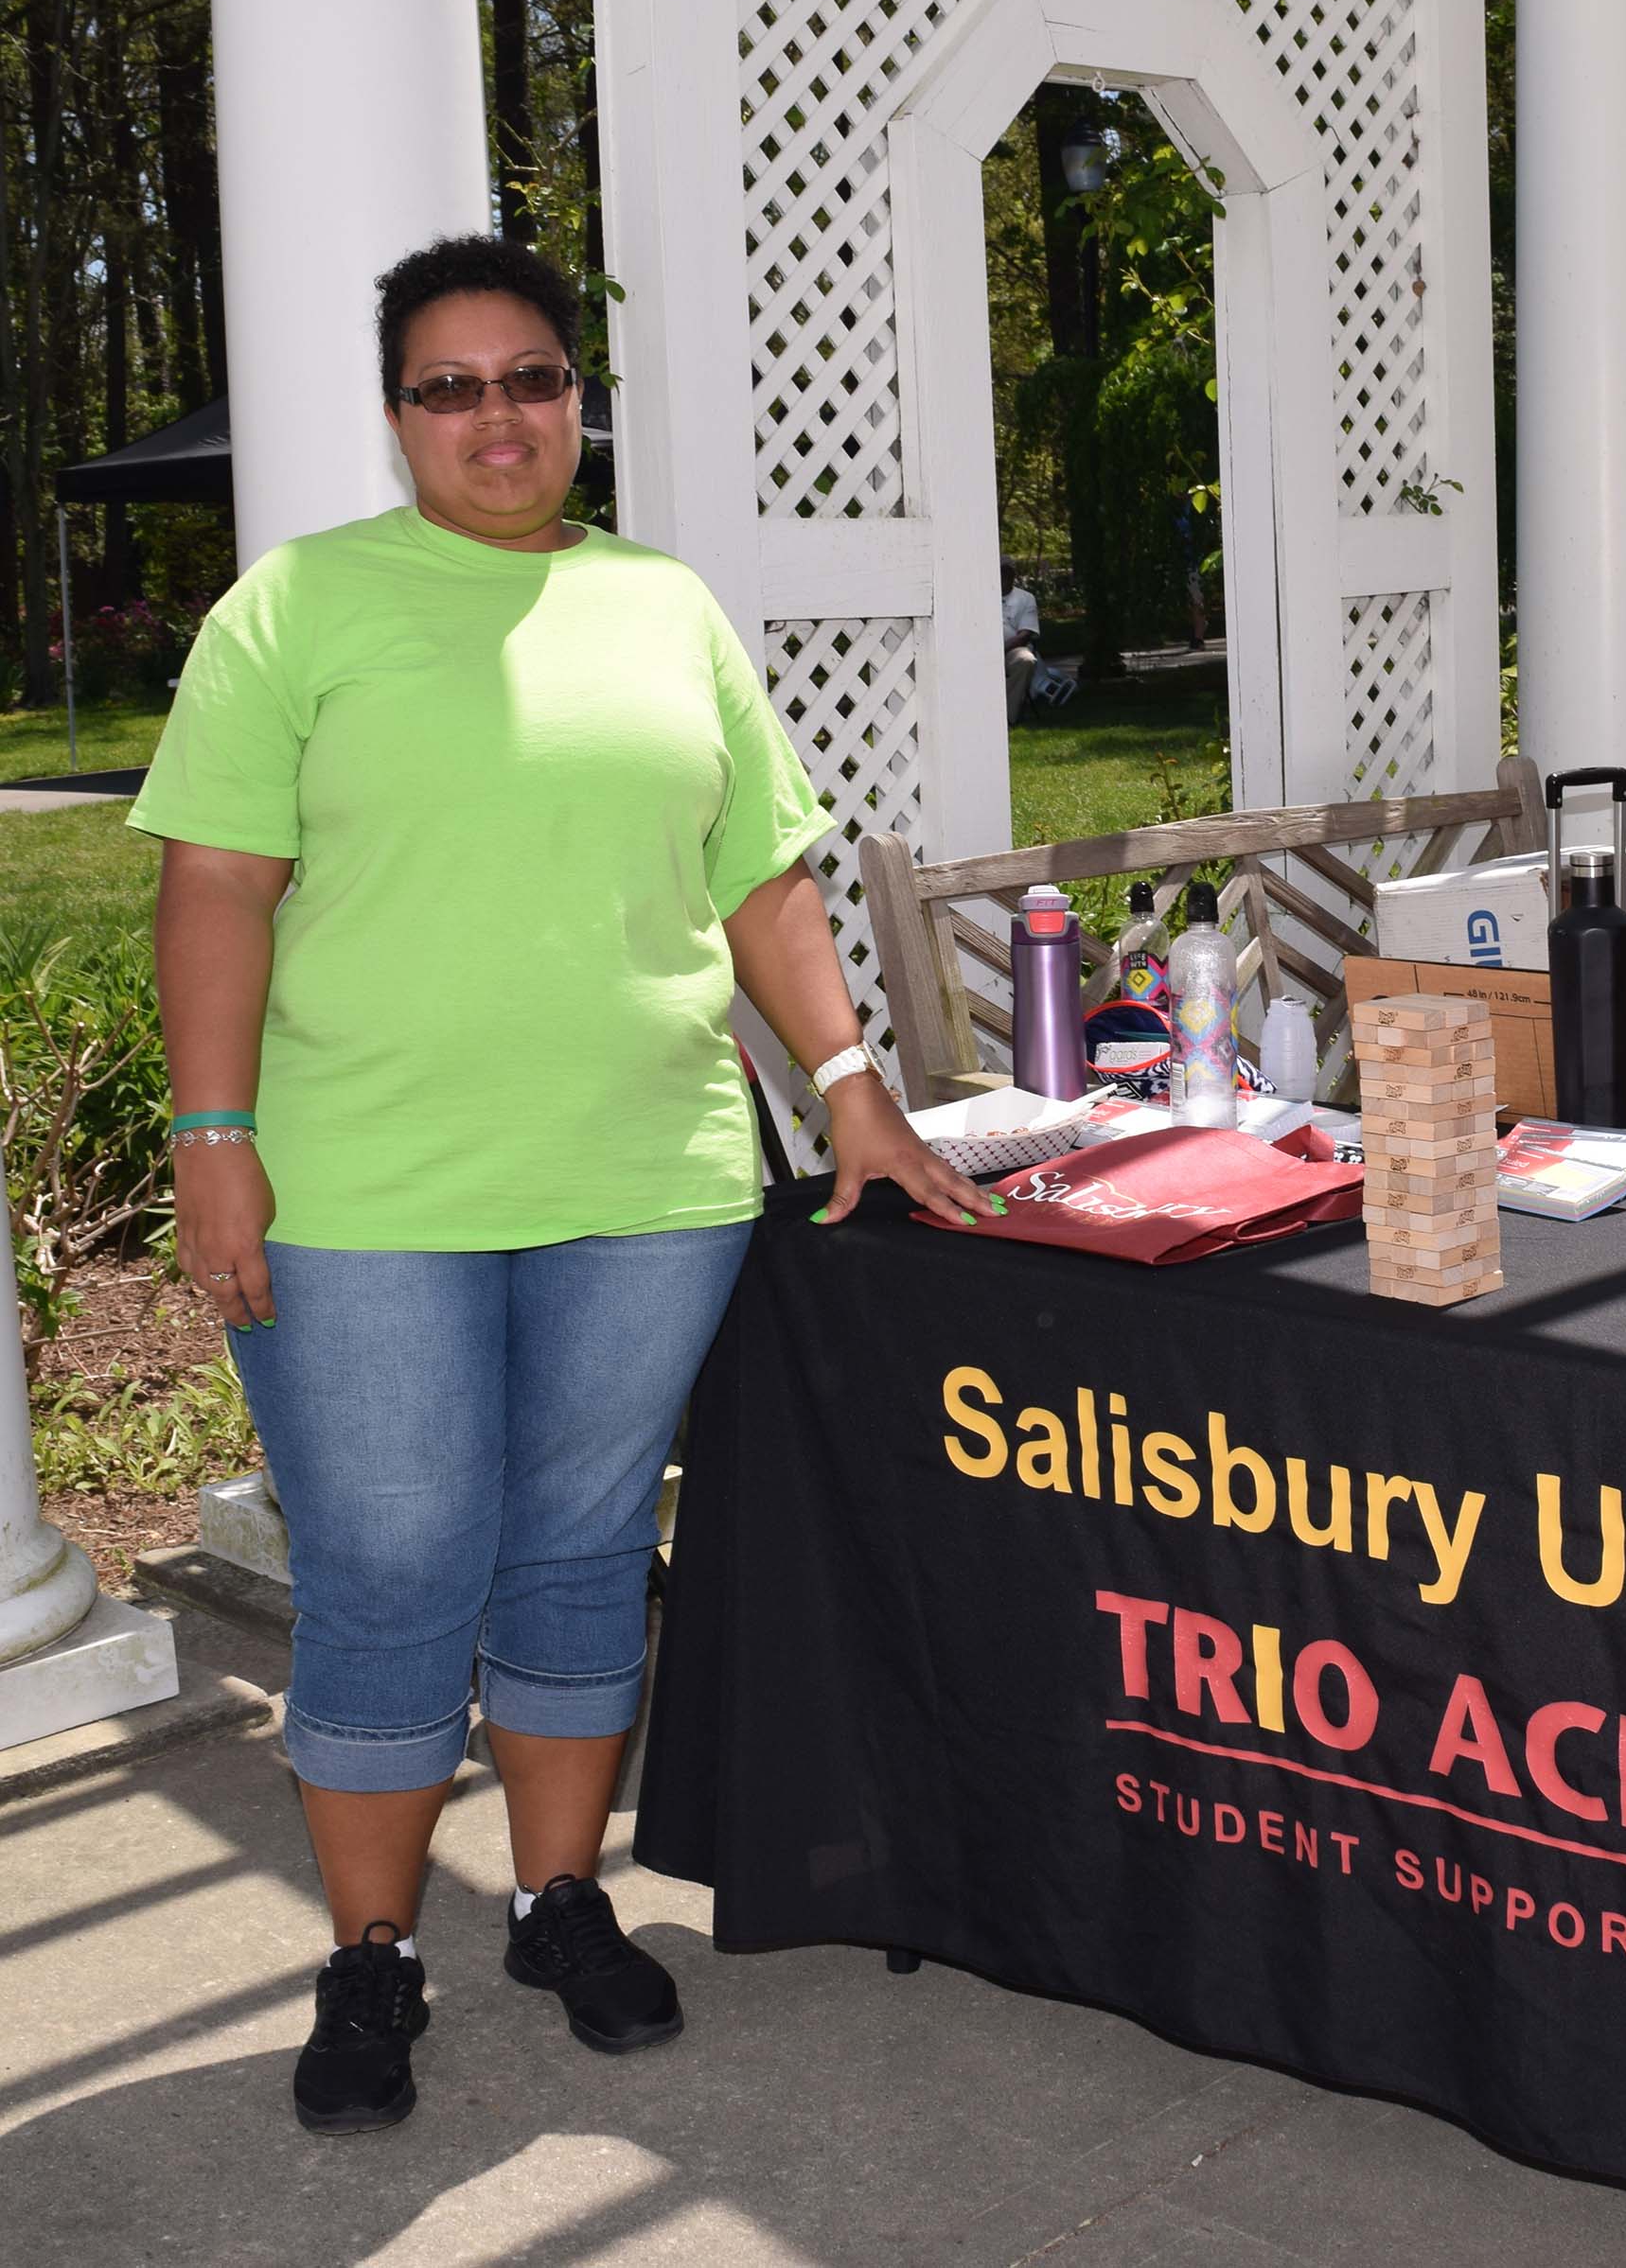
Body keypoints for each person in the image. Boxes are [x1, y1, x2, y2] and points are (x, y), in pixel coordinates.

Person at [129, 235, 999, 2136]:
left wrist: (848, 1085)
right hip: (363, 1187)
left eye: (531, 377)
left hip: (647, 1176)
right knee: (391, 1567)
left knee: (587, 1549)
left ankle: (556, 1898)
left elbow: (760, 874)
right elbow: (213, 882)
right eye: (452, 388)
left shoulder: (664, 607)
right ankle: (371, 1954)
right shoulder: (298, 609)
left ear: (574, 399)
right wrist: (215, 1144)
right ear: (397, 418)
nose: (499, 420)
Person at [1001, 560, 1040, 725]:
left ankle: (1007, 718)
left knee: (1026, 660)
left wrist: (998, 651)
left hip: (1012, 649)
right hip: (981, 649)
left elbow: (1025, 634)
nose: (1003, 578)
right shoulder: (980, 595)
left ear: (1013, 576)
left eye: (1007, 574)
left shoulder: (1025, 598)